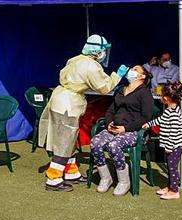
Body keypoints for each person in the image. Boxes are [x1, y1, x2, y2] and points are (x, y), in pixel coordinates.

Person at [38, 34, 127, 192]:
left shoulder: (75, 59)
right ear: (98, 51)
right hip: (68, 104)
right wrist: (117, 77)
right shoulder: (91, 66)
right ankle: (53, 178)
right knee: (64, 141)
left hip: (62, 99)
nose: (104, 54)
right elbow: (104, 88)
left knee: (70, 139)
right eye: (104, 50)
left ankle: (71, 172)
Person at [90, 65, 154, 196]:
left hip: (133, 131)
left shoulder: (145, 92)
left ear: (143, 76)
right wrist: (108, 124)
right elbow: (110, 111)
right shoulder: (121, 90)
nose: (131, 70)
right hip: (113, 128)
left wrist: (125, 128)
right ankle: (106, 177)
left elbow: (146, 117)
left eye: (135, 69)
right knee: (95, 143)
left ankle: (124, 181)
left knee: (114, 145)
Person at [143, 82, 182, 200]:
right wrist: (149, 124)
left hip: (175, 145)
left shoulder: (173, 113)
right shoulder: (169, 110)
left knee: (172, 167)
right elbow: (160, 120)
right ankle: (169, 187)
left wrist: (169, 146)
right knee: (169, 166)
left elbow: (174, 132)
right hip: (173, 145)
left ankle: (174, 191)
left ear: (166, 98)